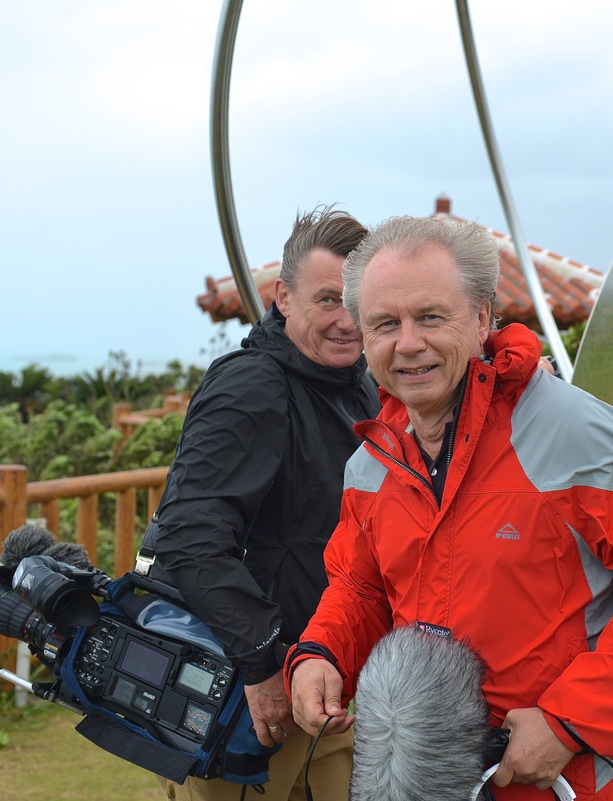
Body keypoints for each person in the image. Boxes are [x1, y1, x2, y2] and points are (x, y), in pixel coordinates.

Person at [284, 214, 613, 801]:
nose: (408, 343)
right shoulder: (371, 463)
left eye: (431, 317)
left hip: (566, 779)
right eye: (385, 323)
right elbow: (360, 588)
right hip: (428, 775)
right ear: (364, 335)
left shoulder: (571, 431)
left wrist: (572, 722)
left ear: (483, 317)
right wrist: (322, 654)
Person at [149, 206, 380, 801]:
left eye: (358, 301)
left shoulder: (357, 382)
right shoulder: (253, 384)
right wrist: (261, 663)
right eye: (328, 299)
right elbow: (190, 537)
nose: (347, 321)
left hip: (329, 678)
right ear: (283, 296)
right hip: (250, 697)